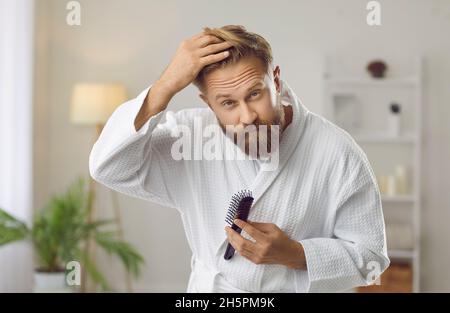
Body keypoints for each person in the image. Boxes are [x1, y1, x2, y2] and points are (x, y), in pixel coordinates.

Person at [89, 25, 390, 292]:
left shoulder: (336, 151)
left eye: (255, 94)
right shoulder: (190, 136)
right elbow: (107, 167)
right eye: (228, 103)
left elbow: (373, 258)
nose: (247, 117)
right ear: (208, 103)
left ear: (276, 79)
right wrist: (165, 86)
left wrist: (297, 254)